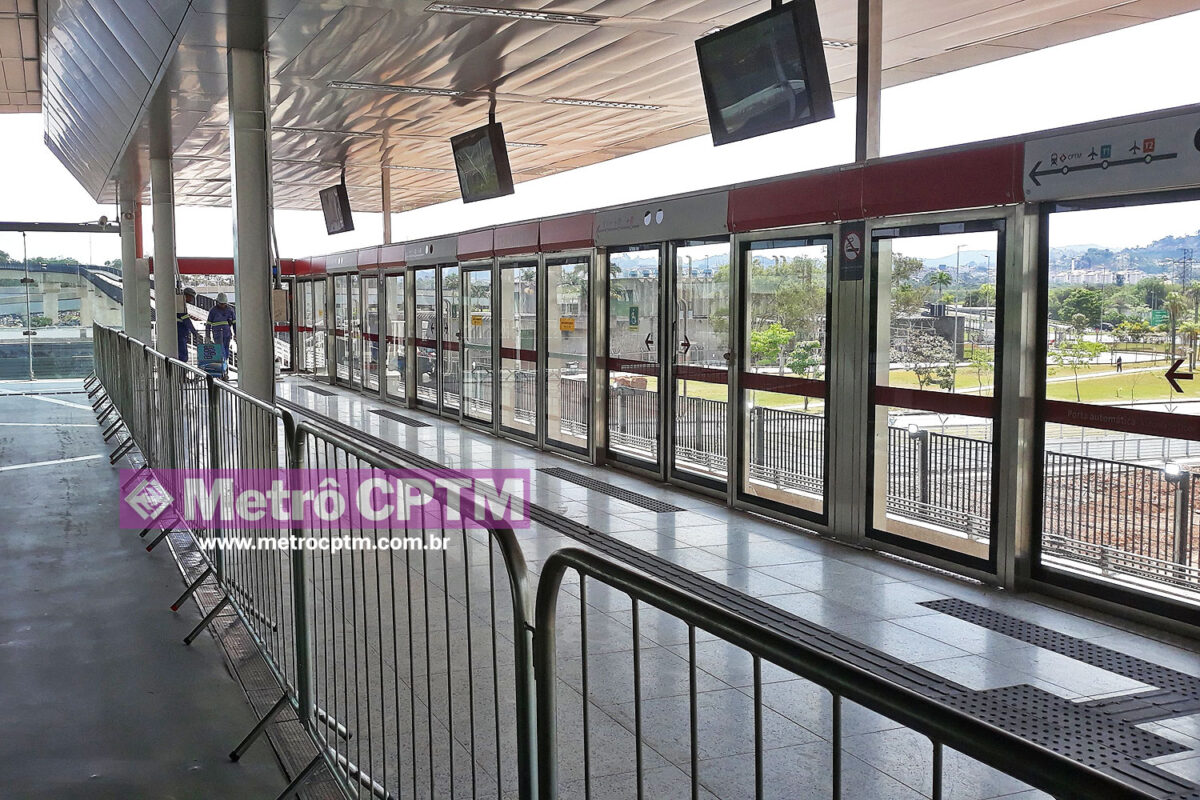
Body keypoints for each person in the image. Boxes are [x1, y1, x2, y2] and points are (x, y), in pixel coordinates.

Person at [206, 292, 237, 378]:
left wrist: (236, 334)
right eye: (221, 304)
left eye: (224, 304)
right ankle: (223, 372)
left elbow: (234, 323)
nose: (223, 305)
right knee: (221, 353)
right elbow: (208, 324)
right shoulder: (213, 310)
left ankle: (224, 371)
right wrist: (207, 335)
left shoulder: (230, 310)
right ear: (217, 302)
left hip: (227, 334)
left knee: (226, 353)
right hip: (217, 334)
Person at [176, 287, 200, 362]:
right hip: (180, 332)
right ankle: (181, 371)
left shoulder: (179, 303)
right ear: (187, 295)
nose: (192, 299)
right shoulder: (180, 304)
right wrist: (194, 332)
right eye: (192, 297)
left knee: (182, 353)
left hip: (180, 332)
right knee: (183, 355)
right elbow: (186, 320)